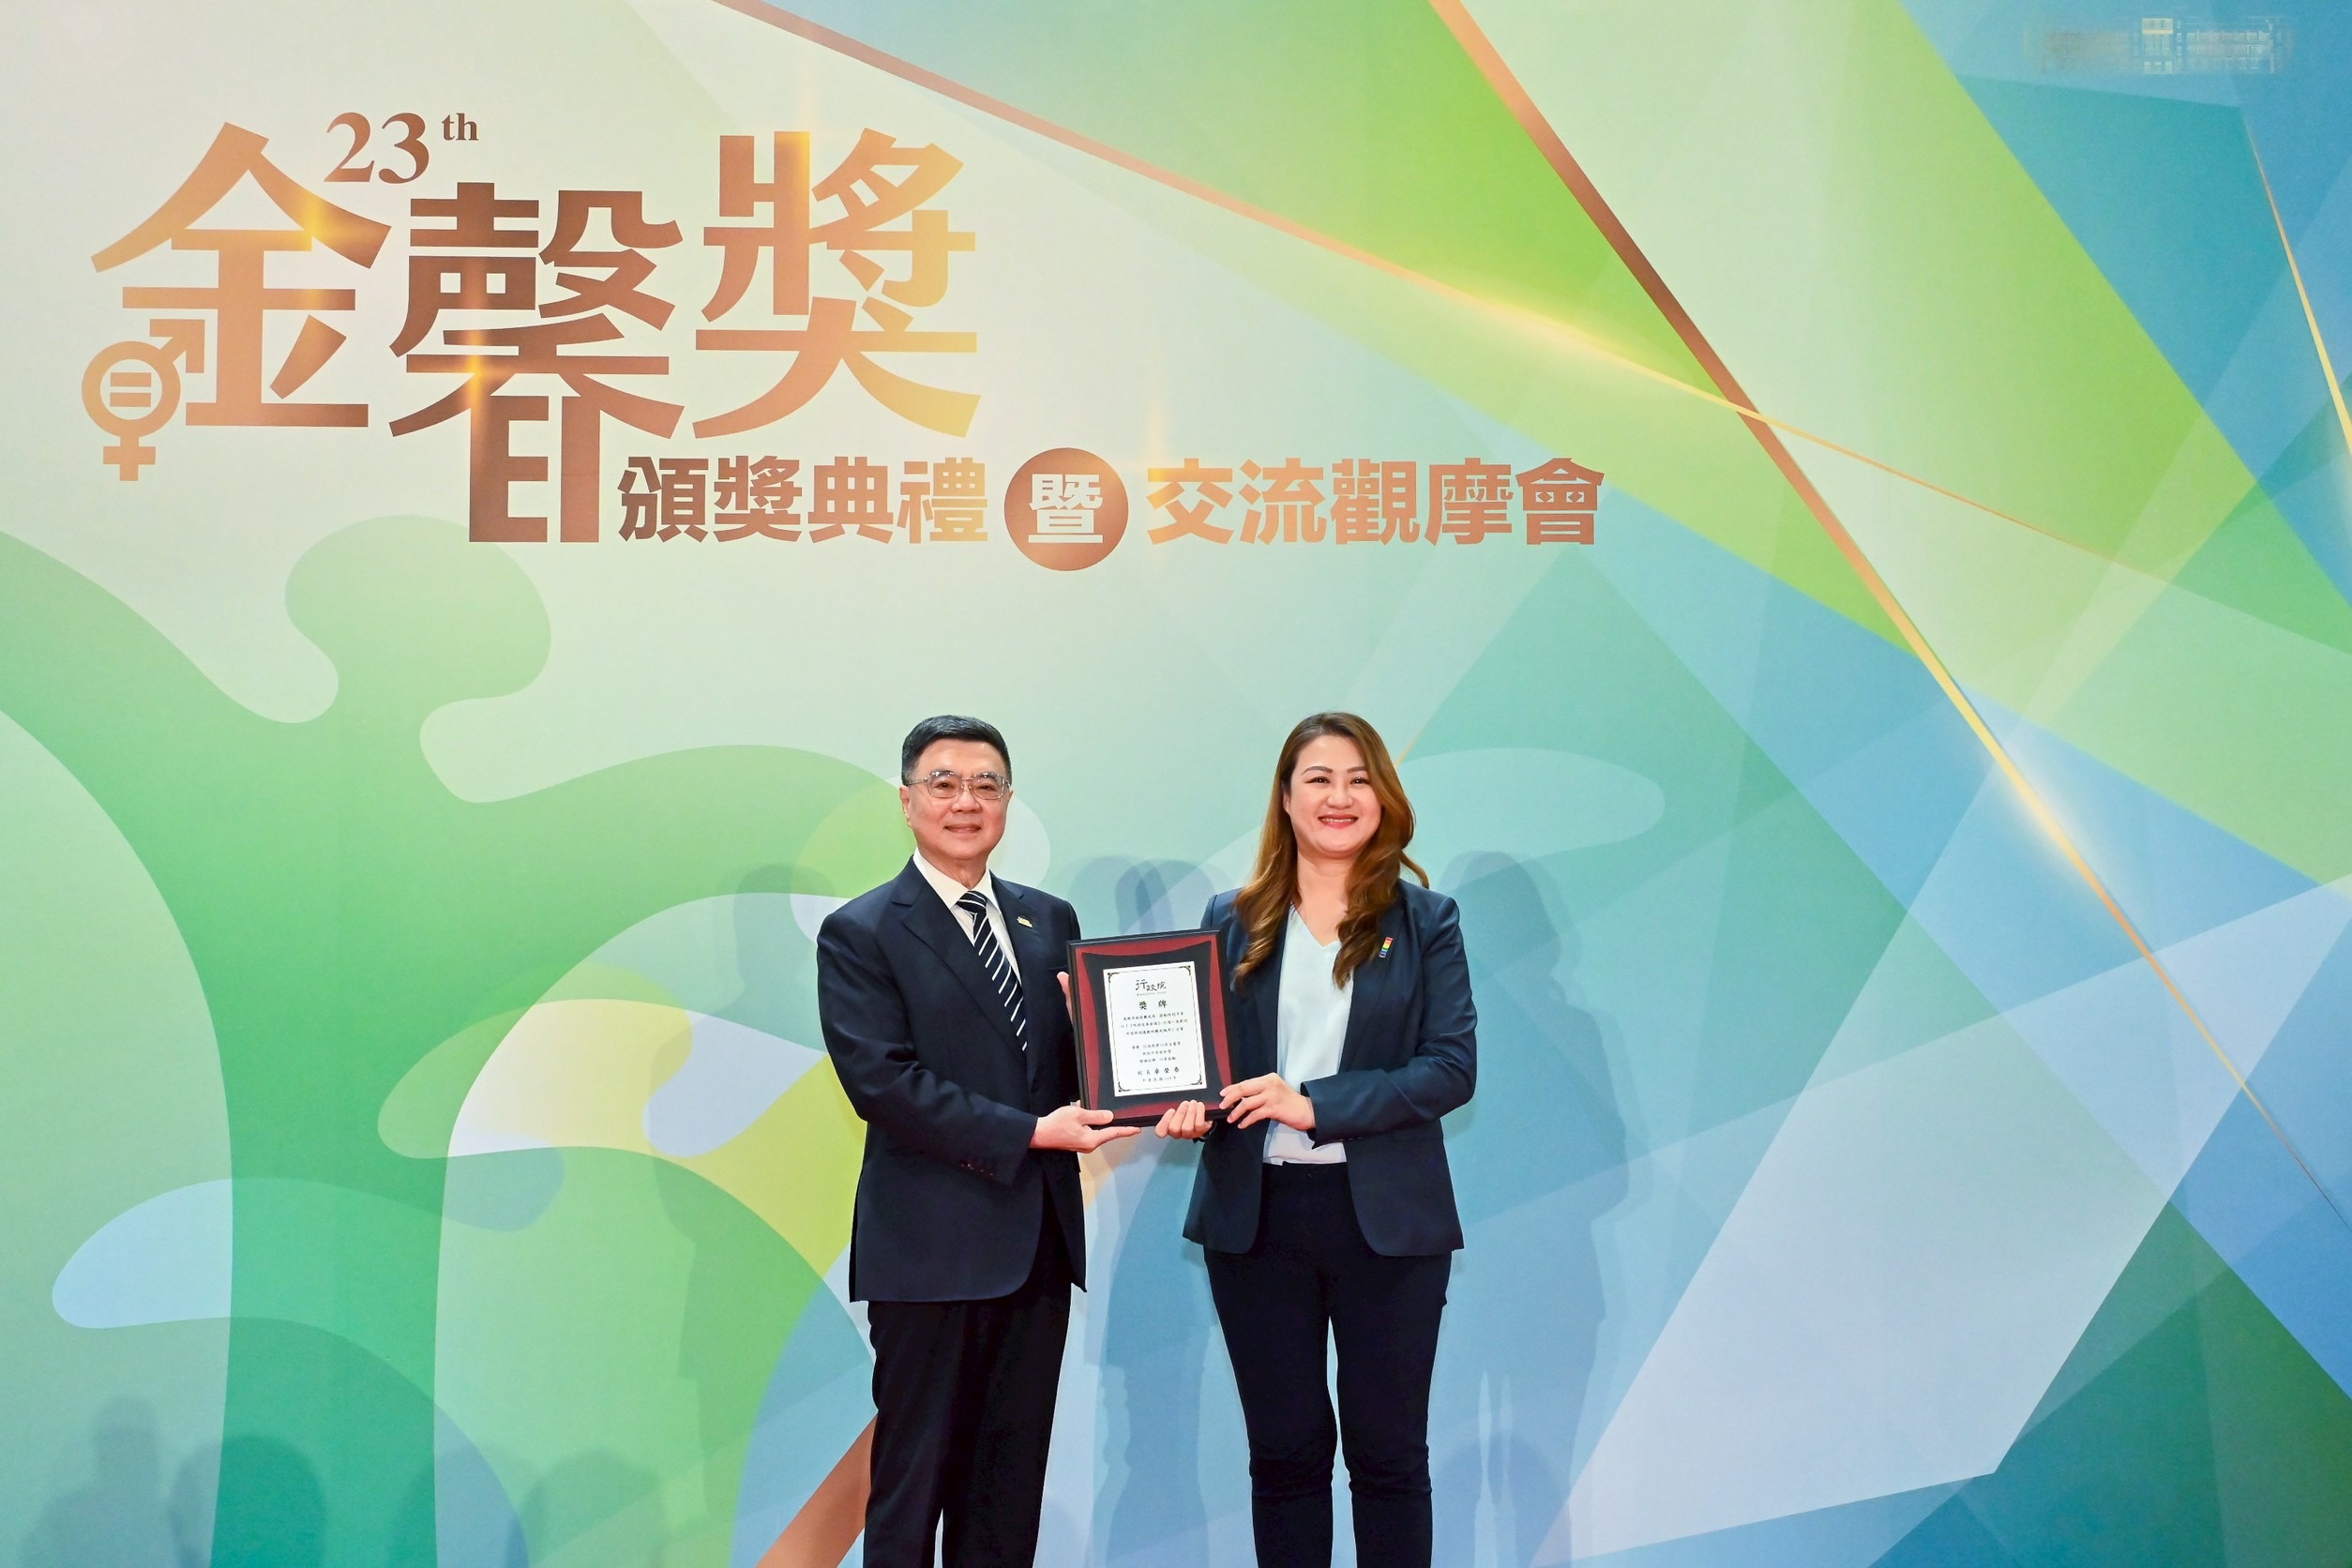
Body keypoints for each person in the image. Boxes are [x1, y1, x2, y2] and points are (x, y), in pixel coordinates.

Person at [1157, 712, 1477, 1567]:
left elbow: (1450, 1069)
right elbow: (1205, 1066)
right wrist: (1180, 1103)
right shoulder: (1231, 918)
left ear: (1384, 797)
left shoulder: (1426, 920)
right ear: (1287, 797)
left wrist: (1313, 1105)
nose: (1340, 797)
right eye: (1320, 779)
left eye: (1359, 779)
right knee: (1285, 1457)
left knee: (1389, 1456)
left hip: (1389, 1224)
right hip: (1258, 1221)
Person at [817, 715, 1138, 1567]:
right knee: (912, 1486)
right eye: (945, 784)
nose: (966, 801)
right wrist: (1031, 1132)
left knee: (1006, 1493)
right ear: (907, 801)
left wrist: (1150, 1085)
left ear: (1007, 801)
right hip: (929, 1253)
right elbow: (884, 1085)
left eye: (985, 785)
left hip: (1036, 1249)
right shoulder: (863, 931)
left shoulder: (1048, 919)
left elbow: (1083, 1071)